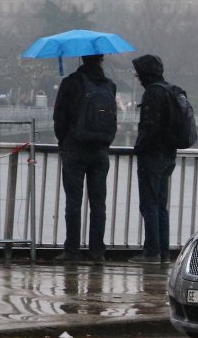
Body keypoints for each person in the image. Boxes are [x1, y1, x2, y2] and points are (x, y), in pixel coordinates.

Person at [53, 54, 118, 262]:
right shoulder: (109, 85)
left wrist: (65, 140)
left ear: (82, 58)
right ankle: (97, 251)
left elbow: (59, 117)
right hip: (100, 150)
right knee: (98, 203)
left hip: (74, 149)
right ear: (101, 60)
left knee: (74, 201)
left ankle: (71, 250)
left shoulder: (71, 82)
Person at [131, 55, 178, 264]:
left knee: (149, 204)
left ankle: (151, 252)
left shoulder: (153, 93)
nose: (136, 76)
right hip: (168, 155)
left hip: (152, 156)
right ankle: (164, 253)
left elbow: (150, 127)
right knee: (160, 205)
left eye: (138, 72)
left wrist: (140, 147)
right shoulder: (170, 90)